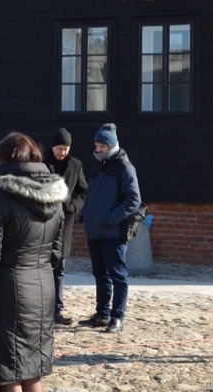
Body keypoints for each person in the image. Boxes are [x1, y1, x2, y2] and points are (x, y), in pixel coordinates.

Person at [0, 132, 66, 392]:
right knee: (32, 371)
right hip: (42, 289)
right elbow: (55, 253)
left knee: (9, 372)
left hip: (8, 293)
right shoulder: (54, 197)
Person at [79, 123, 141, 334]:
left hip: (113, 232)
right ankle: (102, 314)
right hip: (95, 231)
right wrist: (86, 214)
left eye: (101, 146)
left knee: (118, 275)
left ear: (110, 146)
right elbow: (90, 194)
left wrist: (110, 218)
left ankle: (117, 317)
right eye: (96, 145)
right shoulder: (98, 165)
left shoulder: (124, 167)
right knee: (100, 274)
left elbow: (134, 200)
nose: (97, 149)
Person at [45, 127, 87, 326]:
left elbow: (83, 191)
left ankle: (57, 309)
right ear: (53, 147)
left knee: (59, 267)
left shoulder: (75, 165)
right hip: (43, 222)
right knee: (41, 266)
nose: (63, 152)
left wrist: (73, 206)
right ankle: (41, 308)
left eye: (66, 148)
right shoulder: (42, 163)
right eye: (60, 148)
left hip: (65, 223)